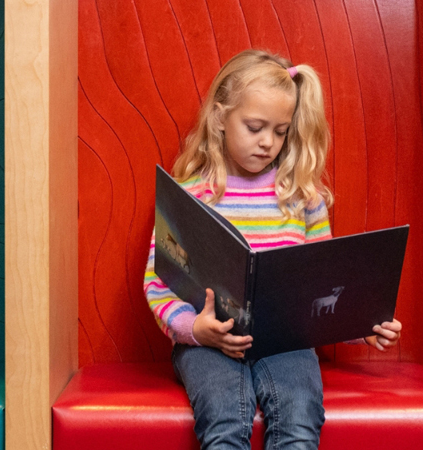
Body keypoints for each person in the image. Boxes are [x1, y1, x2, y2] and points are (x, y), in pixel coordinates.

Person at [142, 49, 404, 450]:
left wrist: (362, 324)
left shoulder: (301, 196)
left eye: (280, 131)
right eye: (254, 127)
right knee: (224, 421)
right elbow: (159, 281)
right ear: (219, 118)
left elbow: (326, 283)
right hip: (208, 344)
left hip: (287, 341)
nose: (268, 142)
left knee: (299, 418)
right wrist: (194, 330)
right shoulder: (189, 196)